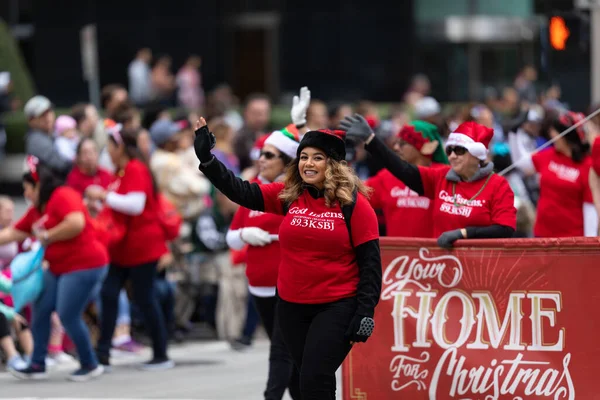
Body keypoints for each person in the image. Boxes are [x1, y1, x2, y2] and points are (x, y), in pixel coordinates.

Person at [194, 117, 381, 399]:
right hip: (291, 307)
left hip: (336, 306)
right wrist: (208, 160)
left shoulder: (355, 205)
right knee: (303, 381)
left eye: (317, 158)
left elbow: (371, 264)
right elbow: (240, 190)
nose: (308, 163)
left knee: (314, 380)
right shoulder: (290, 195)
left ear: (333, 164)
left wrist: (365, 312)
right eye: (303, 157)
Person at [0, 157, 108, 381]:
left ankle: (90, 363)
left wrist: (48, 236)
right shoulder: (37, 210)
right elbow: (13, 233)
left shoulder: (63, 195)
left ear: (38, 184)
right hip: (59, 267)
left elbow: (76, 223)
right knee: (41, 308)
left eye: (27, 189)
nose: (26, 194)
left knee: (68, 313)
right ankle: (37, 363)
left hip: (85, 264)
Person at [341, 115, 516, 248]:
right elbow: (402, 169)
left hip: (479, 268)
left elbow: (506, 228)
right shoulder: (441, 176)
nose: (453, 156)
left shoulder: (498, 185)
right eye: (450, 151)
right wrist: (372, 141)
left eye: (460, 151)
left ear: (477, 155)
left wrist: (463, 234)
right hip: (436, 265)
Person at [86, 125, 173, 370]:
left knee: (145, 298)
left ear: (120, 147)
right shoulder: (122, 171)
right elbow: (120, 206)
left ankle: (161, 353)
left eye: (109, 147)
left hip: (142, 246)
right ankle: (102, 353)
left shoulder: (135, 169)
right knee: (109, 294)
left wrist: (103, 196)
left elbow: (135, 205)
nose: (107, 152)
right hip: (122, 247)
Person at [225, 126, 301, 400]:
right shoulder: (253, 190)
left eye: (269, 155)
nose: (262, 159)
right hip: (258, 285)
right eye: (260, 154)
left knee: (281, 350)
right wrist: (245, 234)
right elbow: (231, 238)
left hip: (287, 285)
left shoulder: (293, 193)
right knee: (286, 351)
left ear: (285, 162)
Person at [366, 121, 449, 237]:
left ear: (425, 147)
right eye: (396, 143)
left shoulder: (444, 176)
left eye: (403, 143)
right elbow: (354, 196)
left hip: (434, 254)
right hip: (398, 254)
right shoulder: (386, 176)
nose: (396, 147)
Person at [528, 111, 594, 237]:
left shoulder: (587, 166)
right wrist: (515, 133)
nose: (552, 135)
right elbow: (521, 164)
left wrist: (588, 244)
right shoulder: (548, 155)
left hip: (571, 241)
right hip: (541, 237)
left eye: (556, 132)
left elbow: (590, 208)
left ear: (568, 137)